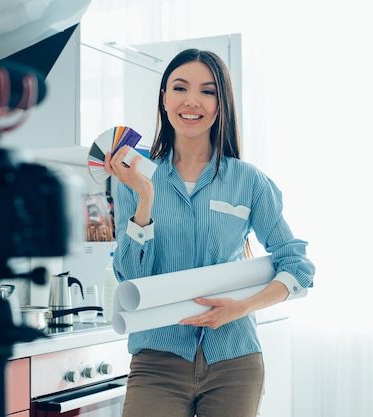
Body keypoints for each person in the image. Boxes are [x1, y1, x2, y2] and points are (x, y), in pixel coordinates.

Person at [103, 49, 315, 417]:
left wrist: (242, 308)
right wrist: (146, 197)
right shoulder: (134, 180)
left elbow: (297, 265)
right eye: (180, 87)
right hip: (157, 360)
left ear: (221, 104)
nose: (192, 101)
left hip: (235, 361)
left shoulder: (249, 181)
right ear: (164, 99)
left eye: (208, 91)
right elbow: (131, 279)